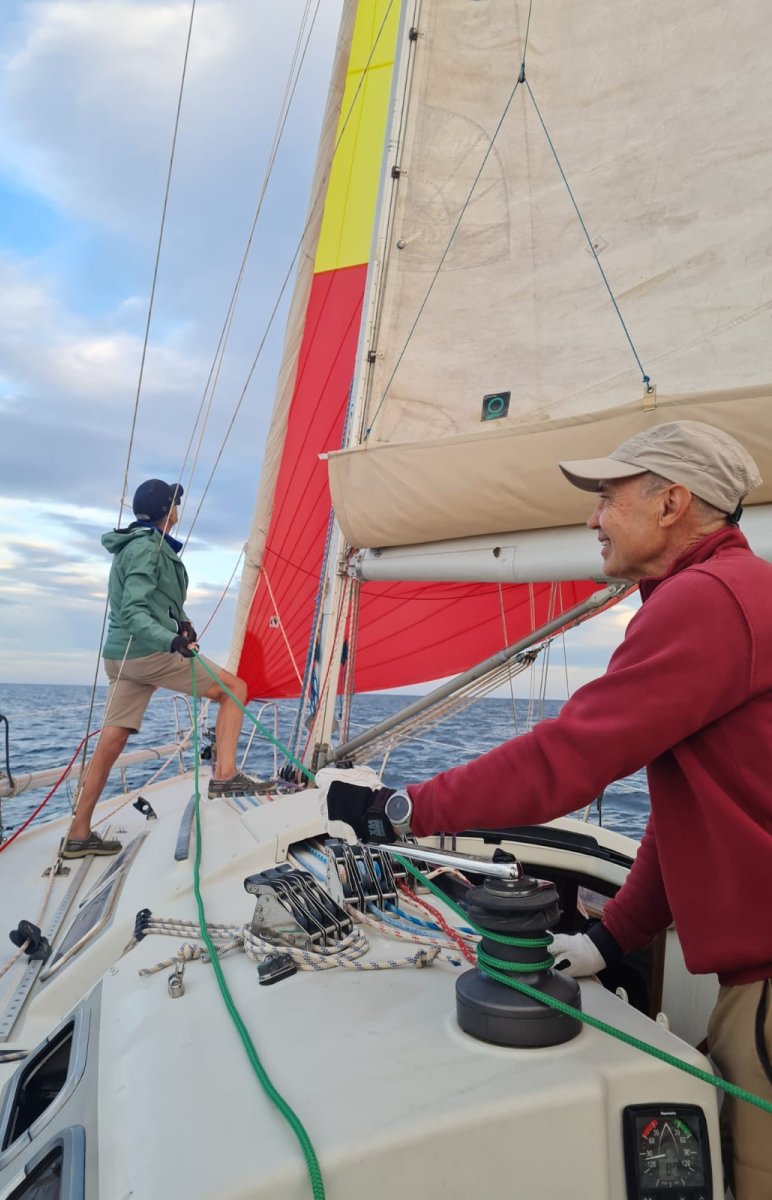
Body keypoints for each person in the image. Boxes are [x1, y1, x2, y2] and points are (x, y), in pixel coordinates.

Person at [327, 420, 772, 1199]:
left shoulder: (706, 602)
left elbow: (566, 760)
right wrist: (611, 936)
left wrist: (399, 809)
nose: (593, 518)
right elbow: (689, 816)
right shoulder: (739, 594)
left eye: (607, 497)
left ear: (671, 503)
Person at [64, 478, 273, 859]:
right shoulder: (149, 549)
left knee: (111, 741)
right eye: (175, 503)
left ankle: (78, 833)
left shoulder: (133, 545)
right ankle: (225, 775)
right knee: (234, 689)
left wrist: (182, 624)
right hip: (147, 652)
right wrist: (171, 641)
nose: (179, 508)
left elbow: (157, 601)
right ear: (167, 512)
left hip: (122, 656)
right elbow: (135, 610)